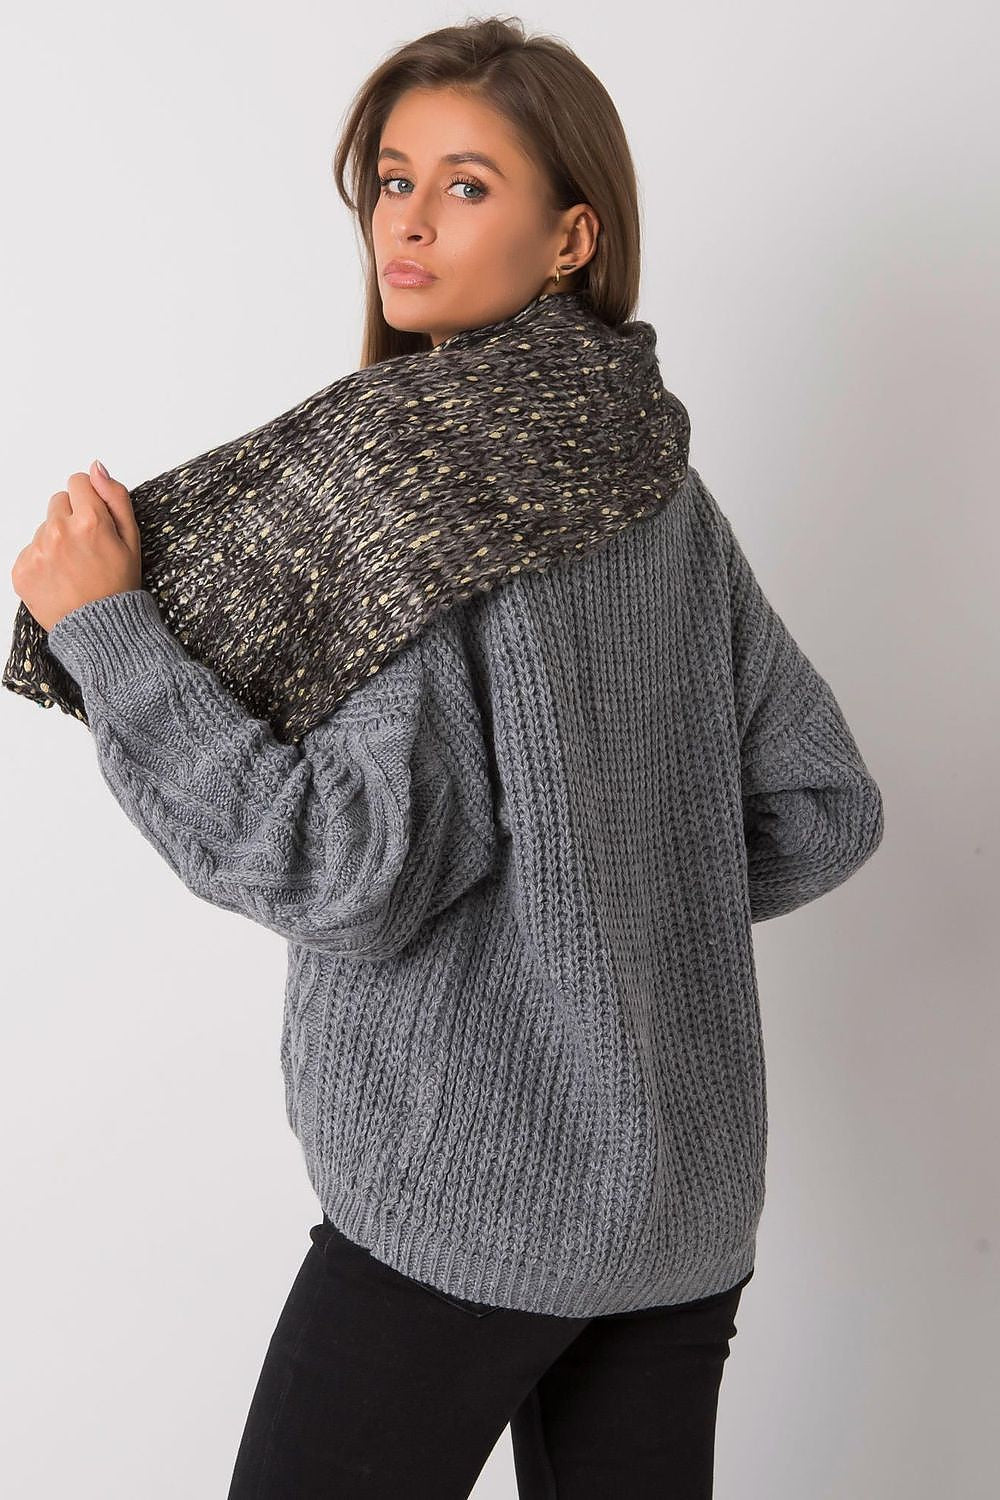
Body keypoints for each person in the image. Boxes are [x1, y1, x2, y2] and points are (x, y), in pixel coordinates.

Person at [13, 18, 885, 1499]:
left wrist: (112, 635)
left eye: (467, 185)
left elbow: (339, 870)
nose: (406, 221)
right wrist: (609, 908)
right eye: (393, 179)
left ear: (573, 237)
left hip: (465, 1207)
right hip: (680, 1203)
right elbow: (817, 804)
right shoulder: (655, 478)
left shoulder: (423, 487)